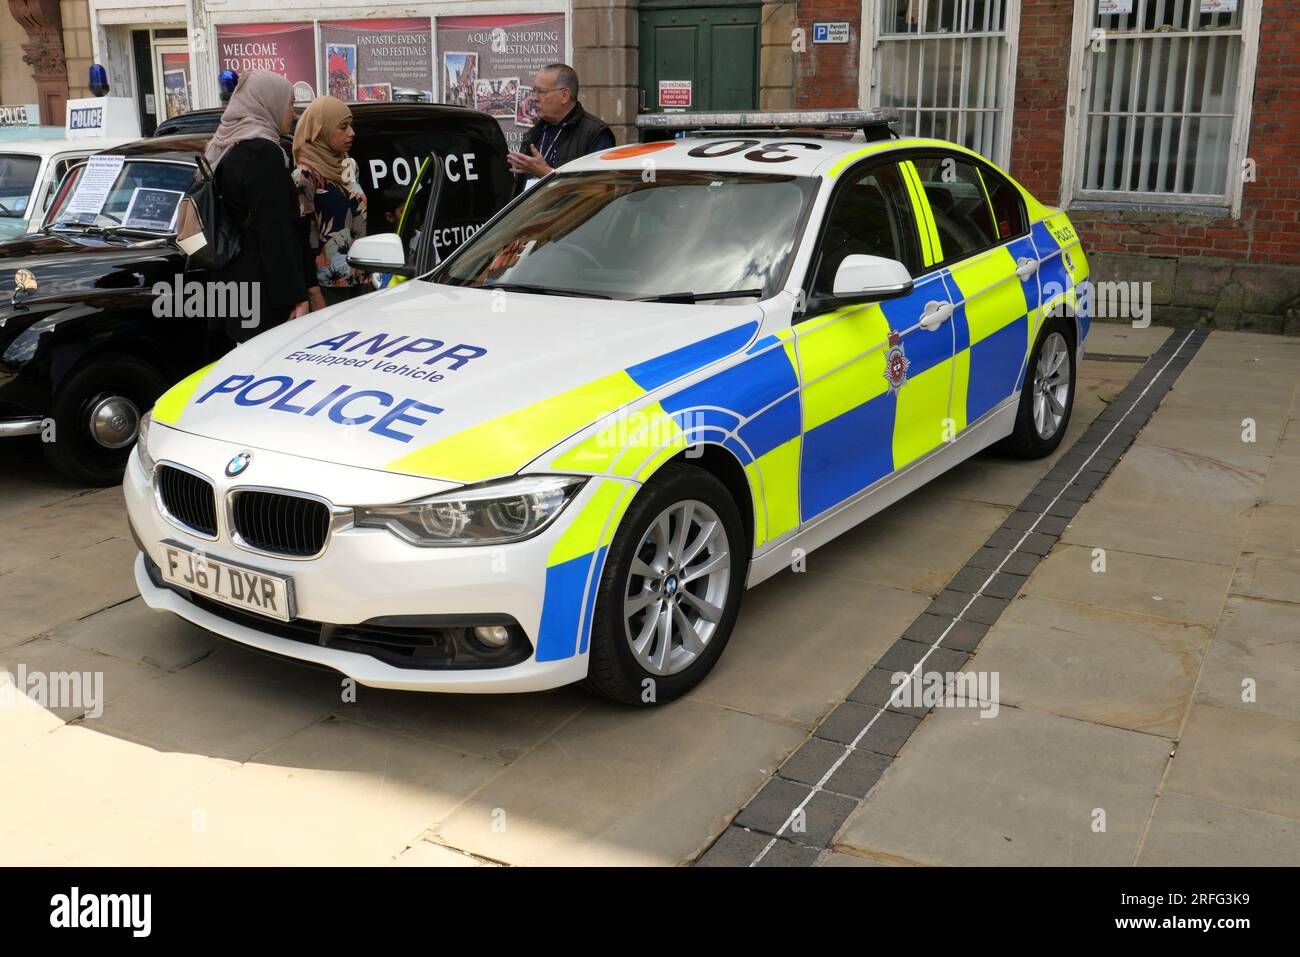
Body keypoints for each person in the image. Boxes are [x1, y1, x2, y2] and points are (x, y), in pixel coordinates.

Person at [202, 71, 311, 359]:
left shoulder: (226, 146)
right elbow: (275, 234)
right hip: (264, 298)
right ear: (269, 103)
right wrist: (297, 296)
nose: (292, 112)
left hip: (232, 287)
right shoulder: (262, 153)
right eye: (289, 103)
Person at [292, 95, 369, 309]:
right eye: (343, 127)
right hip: (329, 288)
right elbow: (302, 239)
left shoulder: (348, 166)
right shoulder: (305, 176)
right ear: (320, 131)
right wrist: (313, 293)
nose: (351, 133)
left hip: (362, 278)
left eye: (351, 125)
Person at [507, 63, 613, 196]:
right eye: (534, 91)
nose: (534, 98)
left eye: (541, 92)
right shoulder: (534, 133)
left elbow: (600, 190)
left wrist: (547, 174)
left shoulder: (594, 134)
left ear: (565, 95)